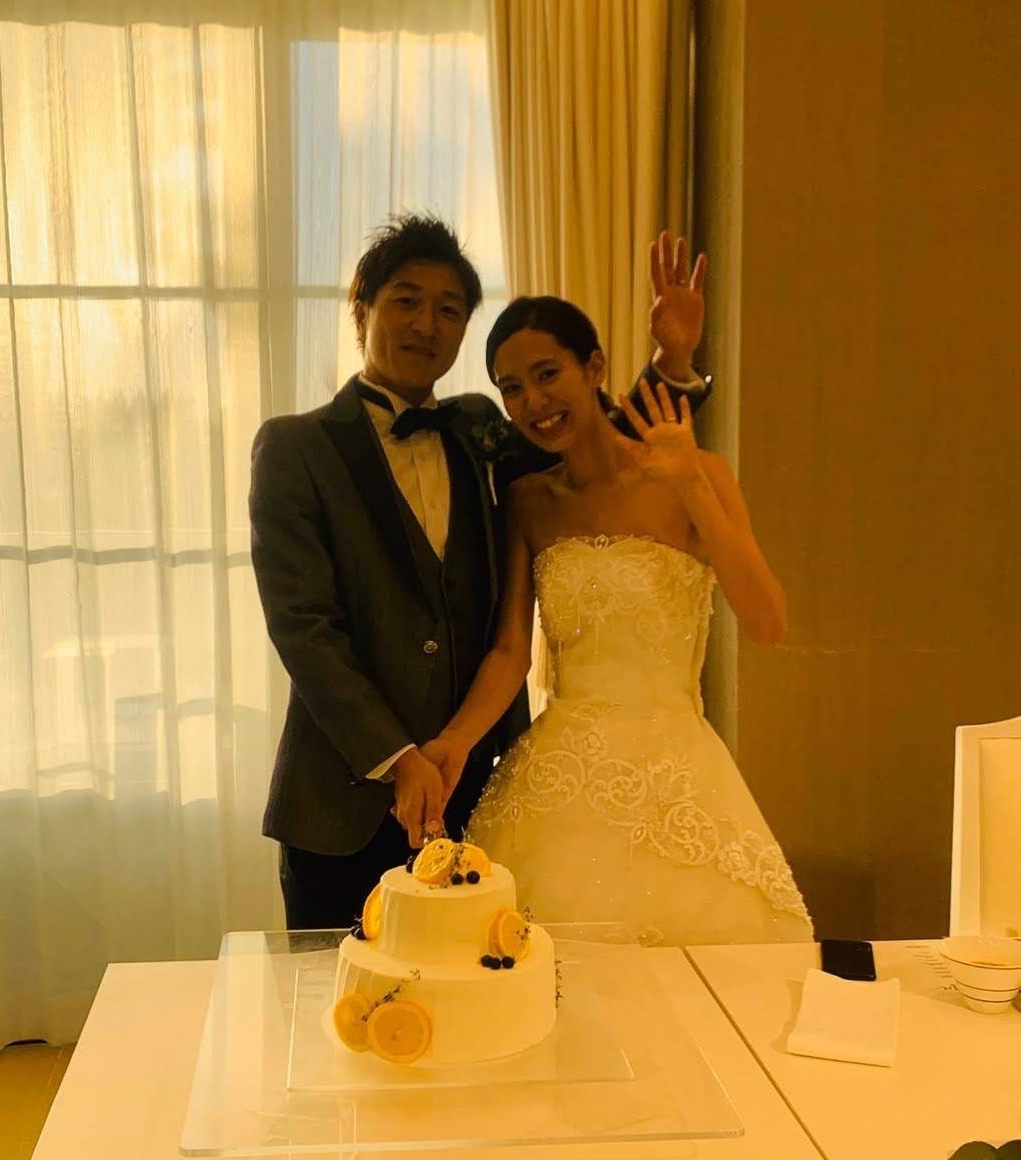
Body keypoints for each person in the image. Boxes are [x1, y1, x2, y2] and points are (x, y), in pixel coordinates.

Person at [250, 215, 713, 930]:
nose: (426, 324)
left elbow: (595, 448)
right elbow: (303, 628)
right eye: (406, 300)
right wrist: (397, 757)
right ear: (361, 309)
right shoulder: (294, 447)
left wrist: (671, 363)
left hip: (472, 794)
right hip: (341, 804)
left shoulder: (478, 427)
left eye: (448, 309)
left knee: (478, 976)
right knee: (337, 990)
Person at [421, 240, 814, 945]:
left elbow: (768, 622)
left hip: (677, 770)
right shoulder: (529, 501)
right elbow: (511, 652)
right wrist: (454, 742)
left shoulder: (697, 474)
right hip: (559, 775)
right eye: (512, 388)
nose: (533, 402)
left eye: (548, 374)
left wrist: (690, 484)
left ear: (594, 367)